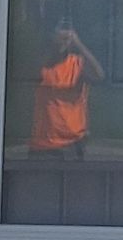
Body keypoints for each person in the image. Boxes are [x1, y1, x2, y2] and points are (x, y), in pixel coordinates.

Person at [29, 23, 104, 154]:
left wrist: (77, 44)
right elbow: (29, 73)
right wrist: (53, 46)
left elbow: (98, 75)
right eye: (60, 34)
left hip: (73, 143)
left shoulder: (78, 64)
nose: (63, 40)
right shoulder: (43, 64)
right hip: (42, 144)